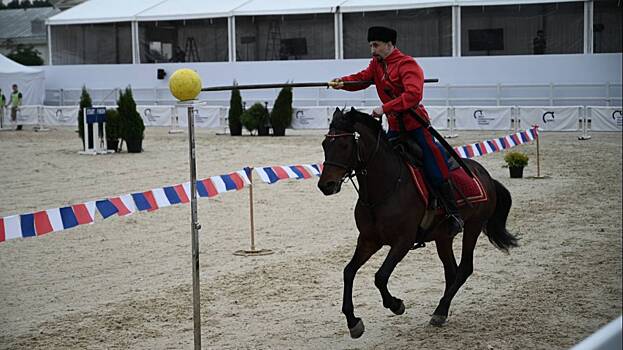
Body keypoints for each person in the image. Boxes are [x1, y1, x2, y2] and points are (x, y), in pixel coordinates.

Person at [330, 26, 463, 236]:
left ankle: (453, 213)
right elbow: (363, 78)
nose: (372, 50)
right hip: (394, 128)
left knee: (434, 165)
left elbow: (413, 96)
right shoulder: (376, 64)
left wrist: (384, 108)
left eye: (376, 45)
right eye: (371, 45)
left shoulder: (408, 65)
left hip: (415, 125)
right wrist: (343, 82)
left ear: (390, 44)